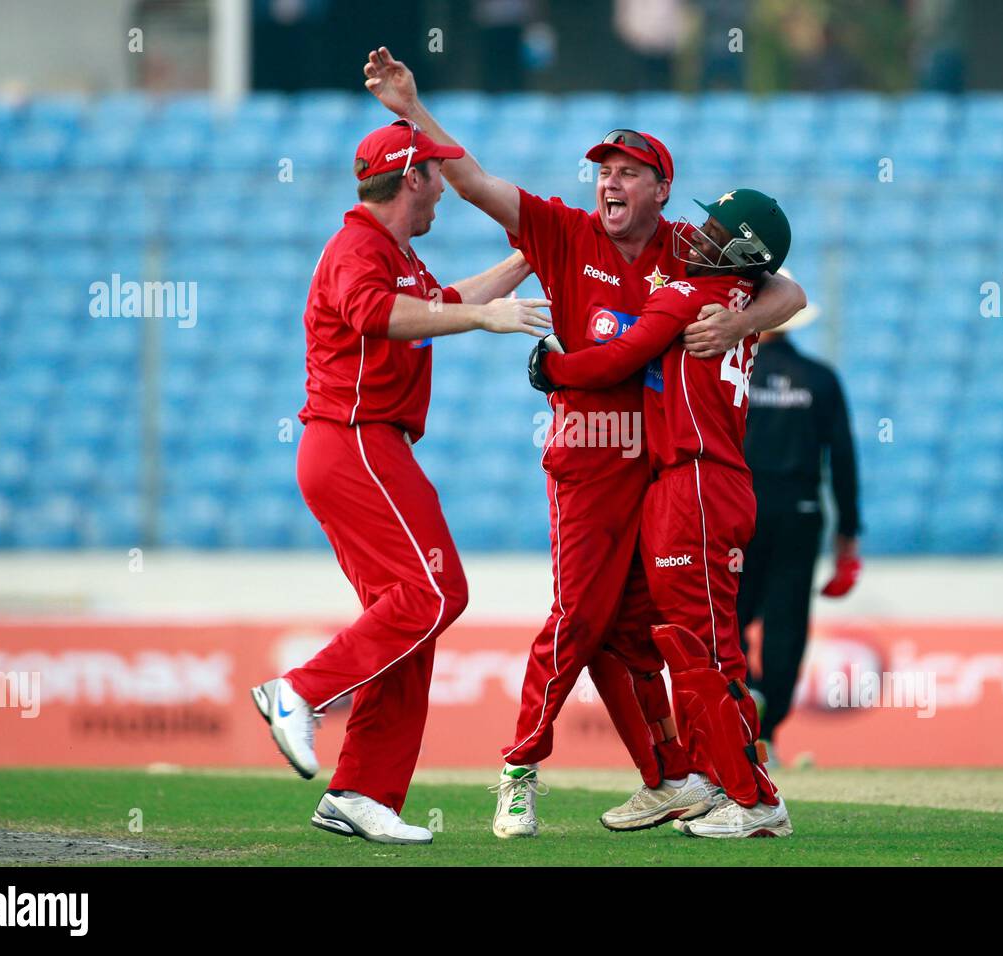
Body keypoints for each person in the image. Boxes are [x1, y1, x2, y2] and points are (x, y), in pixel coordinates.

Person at [364, 46, 808, 837]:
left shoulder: (686, 250)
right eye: (603, 169)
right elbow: (472, 183)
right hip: (592, 461)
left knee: (643, 636)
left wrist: (738, 322)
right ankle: (521, 768)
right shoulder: (564, 232)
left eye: (629, 171)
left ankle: (687, 779)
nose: (609, 181)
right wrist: (412, 109)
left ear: (661, 190)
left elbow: (787, 287)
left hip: (672, 471)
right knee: (579, 622)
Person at [249, 119, 552, 845]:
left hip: (365, 446)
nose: (445, 190)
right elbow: (376, 315)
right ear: (411, 177)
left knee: (410, 618)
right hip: (354, 441)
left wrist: (520, 265)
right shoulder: (360, 246)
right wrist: (483, 316)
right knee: (436, 594)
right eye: (437, 176)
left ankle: (360, 792)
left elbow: (435, 298)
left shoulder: (395, 253)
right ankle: (298, 691)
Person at [528, 188, 795, 838]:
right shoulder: (741, 305)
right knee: (692, 642)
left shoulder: (685, 294)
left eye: (715, 230)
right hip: (704, 479)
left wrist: (552, 369)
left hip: (695, 479)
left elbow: (619, 357)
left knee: (706, 649)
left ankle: (756, 800)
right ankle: (713, 778)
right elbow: (789, 290)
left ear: (742, 250)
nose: (699, 236)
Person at [737, 300, 862, 767]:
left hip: (738, 510)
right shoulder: (821, 378)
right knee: (787, 623)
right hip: (801, 512)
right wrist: (848, 532)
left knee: (729, 614)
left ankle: (746, 700)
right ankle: (768, 726)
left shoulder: (732, 372)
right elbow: (843, 459)